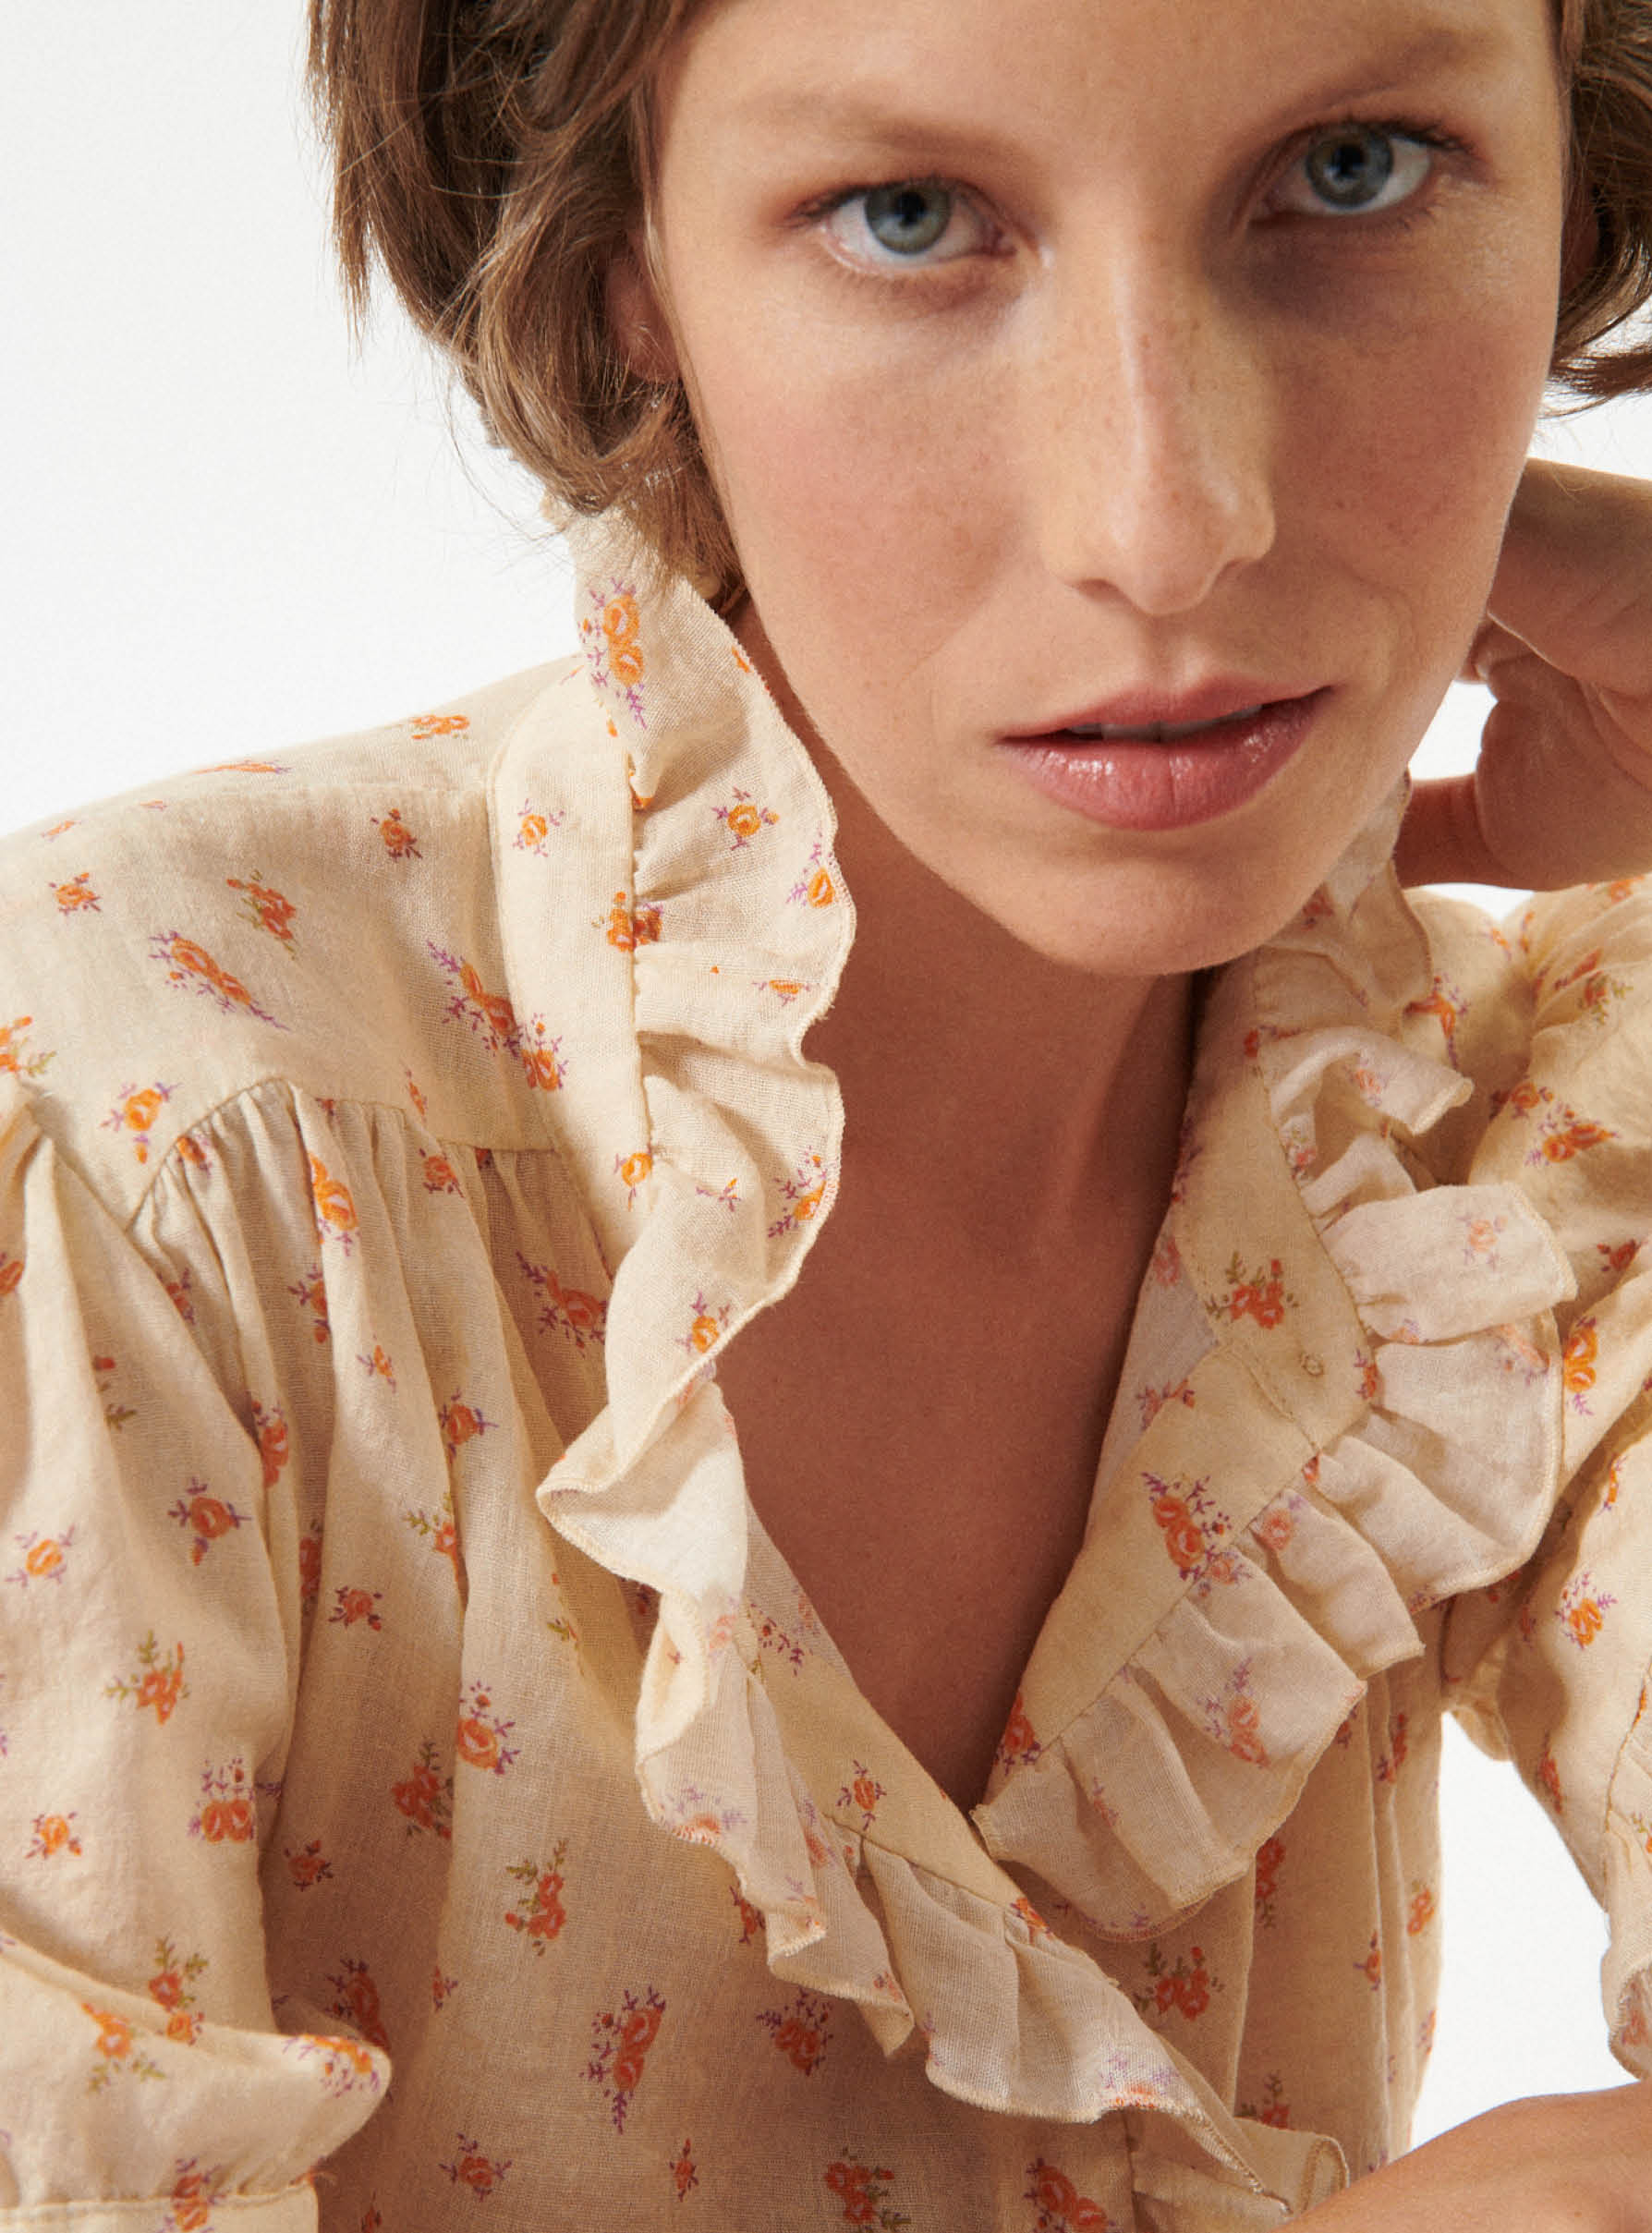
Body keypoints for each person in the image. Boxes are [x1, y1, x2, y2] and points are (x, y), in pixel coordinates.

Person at [6, 0, 1652, 2225]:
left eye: (1350, 174)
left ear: (1581, 172)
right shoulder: (136, 1146)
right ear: (623, 265)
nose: (1170, 521)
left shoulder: (1482, 1155)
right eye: (908, 217)